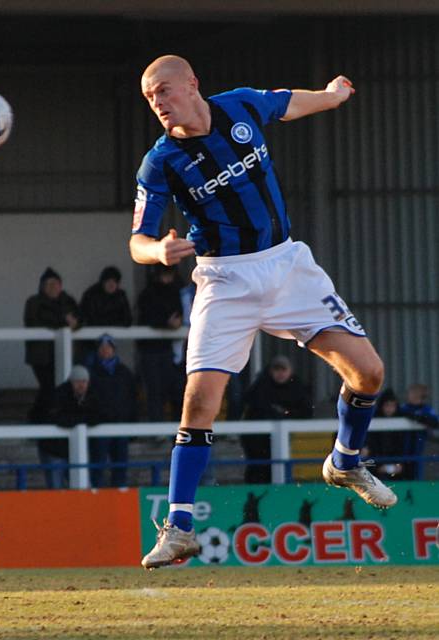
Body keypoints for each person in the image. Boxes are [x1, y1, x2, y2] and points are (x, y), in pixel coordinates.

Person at [130, 55, 394, 569]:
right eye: (149, 98)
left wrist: (334, 95)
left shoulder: (240, 107)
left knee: (369, 373)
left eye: (164, 90)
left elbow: (290, 104)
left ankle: (345, 462)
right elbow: (137, 238)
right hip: (225, 281)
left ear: (192, 84)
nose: (158, 103)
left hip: (287, 265)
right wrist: (156, 251)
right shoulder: (160, 161)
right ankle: (179, 528)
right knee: (200, 401)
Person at [240, 355, 313, 484]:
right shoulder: (261, 386)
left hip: (281, 439)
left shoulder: (296, 387)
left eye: (283, 369)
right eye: (276, 369)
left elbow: (306, 411)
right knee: (258, 467)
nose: (280, 373)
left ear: (290, 371)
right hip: (256, 440)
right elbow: (255, 405)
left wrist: (287, 413)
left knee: (279, 466)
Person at [24, 267, 80, 422]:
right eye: (49, 284)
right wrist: (63, 322)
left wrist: (75, 324)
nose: (53, 287)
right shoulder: (34, 302)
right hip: (41, 355)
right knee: (48, 388)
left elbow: (80, 319)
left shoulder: (68, 301)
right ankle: (37, 420)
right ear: (42, 286)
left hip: (63, 353)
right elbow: (34, 322)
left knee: (59, 389)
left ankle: (49, 420)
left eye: (56, 284)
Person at [36, 365, 101, 489]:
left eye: (84, 381)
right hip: (53, 449)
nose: (81, 385)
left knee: (83, 486)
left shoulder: (92, 395)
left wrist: (78, 419)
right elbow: (57, 418)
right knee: (56, 488)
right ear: (71, 382)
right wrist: (82, 419)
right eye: (77, 381)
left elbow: (100, 415)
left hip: (73, 450)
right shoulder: (58, 395)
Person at [136, 263, 185, 421]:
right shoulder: (148, 293)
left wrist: (177, 321)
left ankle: (172, 430)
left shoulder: (175, 292)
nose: (167, 278)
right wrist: (167, 323)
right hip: (150, 350)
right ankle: (156, 430)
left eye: (169, 274)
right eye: (165, 274)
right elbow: (147, 316)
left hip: (166, 349)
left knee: (169, 389)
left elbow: (178, 312)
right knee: (154, 391)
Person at [88, 334, 137, 488]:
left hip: (121, 426)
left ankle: (119, 497)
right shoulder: (91, 373)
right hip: (100, 426)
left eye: (108, 347)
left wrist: (131, 423)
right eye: (101, 347)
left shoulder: (124, 373)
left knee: (120, 467)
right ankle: (97, 498)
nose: (105, 350)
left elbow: (132, 399)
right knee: (98, 466)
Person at [398, 383, 439, 480]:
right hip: (403, 447)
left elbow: (434, 422)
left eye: (416, 393)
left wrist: (415, 417)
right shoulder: (403, 409)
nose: (413, 395)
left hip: (421, 446)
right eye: (411, 393)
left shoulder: (426, 409)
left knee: (419, 470)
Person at [364, 388, 406, 480]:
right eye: (387, 405)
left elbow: (401, 447)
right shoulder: (373, 421)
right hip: (375, 465)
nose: (389, 409)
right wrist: (377, 466)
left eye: (392, 406)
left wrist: (399, 464)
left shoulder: (402, 421)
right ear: (381, 406)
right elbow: (370, 447)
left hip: (396, 465)